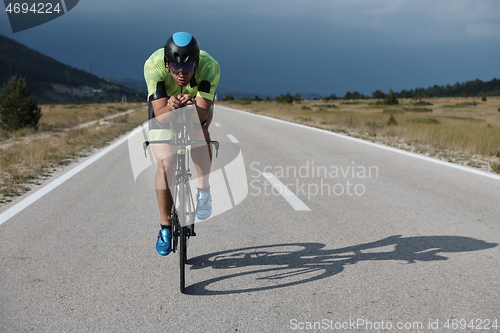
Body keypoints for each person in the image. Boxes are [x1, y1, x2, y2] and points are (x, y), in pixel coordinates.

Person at [143, 32, 220, 256]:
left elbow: (204, 115)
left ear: (196, 63)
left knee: (200, 129)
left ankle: (203, 191)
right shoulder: (153, 65)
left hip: (196, 107)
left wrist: (191, 108)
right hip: (165, 109)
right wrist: (171, 106)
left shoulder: (209, 66)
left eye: (187, 69)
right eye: (175, 69)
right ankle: (165, 227)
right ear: (167, 63)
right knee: (166, 164)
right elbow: (160, 116)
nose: (181, 74)